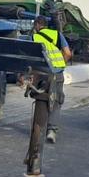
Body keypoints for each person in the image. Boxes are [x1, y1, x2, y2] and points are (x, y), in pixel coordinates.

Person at [31, 15, 72, 143]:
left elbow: (30, 57)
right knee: (57, 100)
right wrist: (60, 64)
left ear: (37, 25)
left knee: (41, 98)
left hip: (42, 73)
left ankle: (39, 129)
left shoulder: (34, 37)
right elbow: (67, 53)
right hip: (57, 73)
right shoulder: (57, 35)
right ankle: (52, 131)